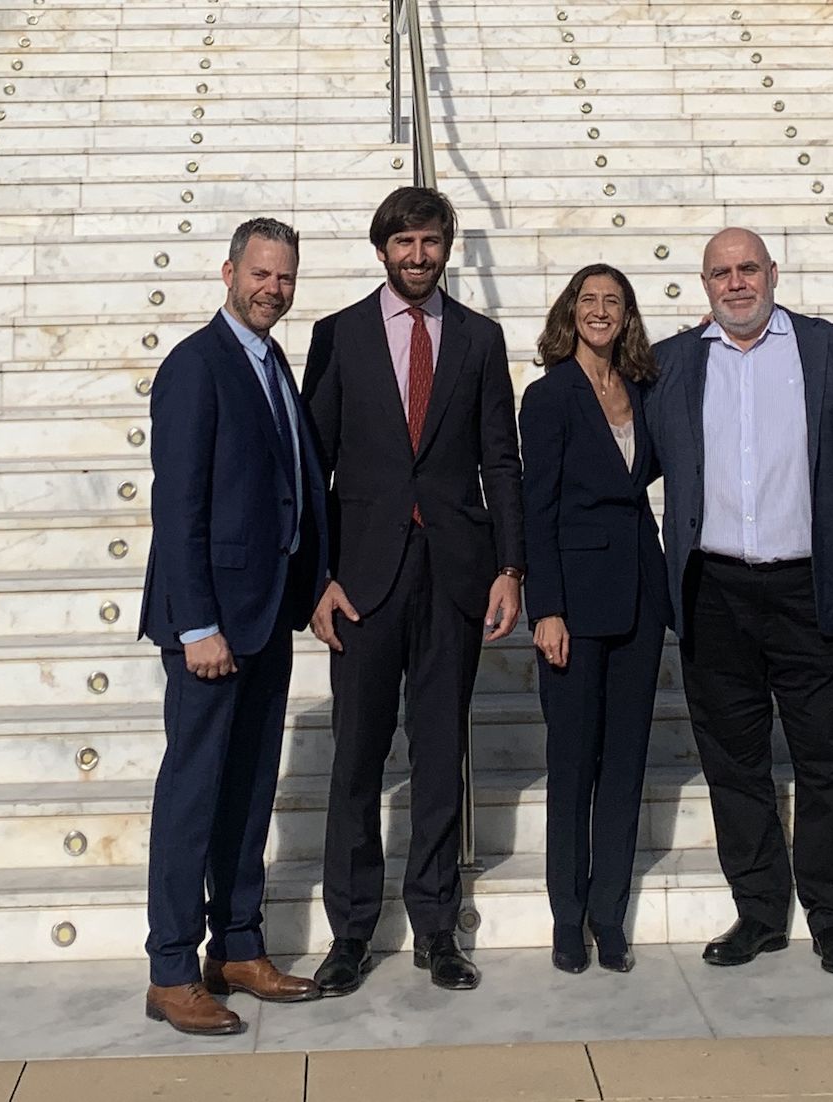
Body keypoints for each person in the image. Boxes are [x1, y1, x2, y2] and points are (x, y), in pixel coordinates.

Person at [302, 187, 525, 994]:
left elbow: (500, 458)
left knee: (440, 757)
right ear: (381, 249)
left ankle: (437, 927)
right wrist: (315, 580)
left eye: (431, 241)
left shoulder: (479, 338)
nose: (419, 255)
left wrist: (510, 566)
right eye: (405, 242)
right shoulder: (338, 337)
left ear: (447, 247)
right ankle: (351, 933)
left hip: (456, 574)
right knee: (358, 760)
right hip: (362, 580)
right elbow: (310, 469)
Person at [643, 227, 833, 976]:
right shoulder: (675, 363)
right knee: (734, 761)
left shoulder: (832, 351)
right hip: (715, 589)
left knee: (828, 757)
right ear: (702, 284)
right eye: (720, 273)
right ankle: (760, 912)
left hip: (810, 584)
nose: (736, 283)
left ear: (773, 272)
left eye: (748, 269)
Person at [138, 217, 327, 1036]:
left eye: (284, 278)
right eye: (260, 275)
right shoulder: (195, 365)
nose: (272, 290)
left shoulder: (272, 359)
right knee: (193, 792)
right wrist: (197, 625)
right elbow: (176, 509)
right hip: (212, 626)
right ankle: (172, 968)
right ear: (227, 272)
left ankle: (238, 944)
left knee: (249, 786)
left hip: (266, 615)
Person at [520, 264, 670, 975]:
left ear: (628, 314)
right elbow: (536, 508)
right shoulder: (548, 398)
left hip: (640, 592)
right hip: (575, 604)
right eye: (589, 300)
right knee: (573, 764)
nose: (601, 311)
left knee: (625, 763)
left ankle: (608, 914)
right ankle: (566, 916)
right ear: (570, 311)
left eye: (613, 301)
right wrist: (545, 609)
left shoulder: (643, 389)